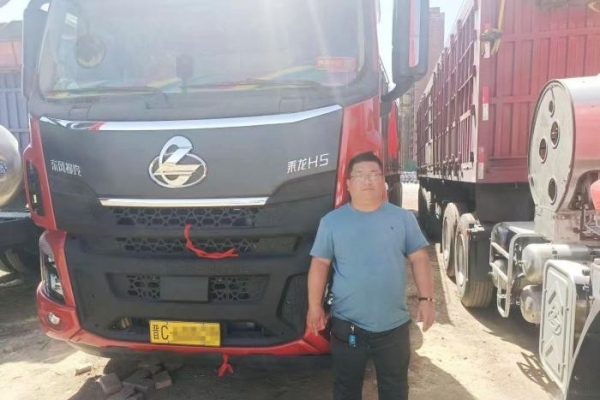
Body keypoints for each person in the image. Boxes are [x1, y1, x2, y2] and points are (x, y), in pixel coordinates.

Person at [306, 151, 435, 400]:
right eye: (360, 175)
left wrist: (427, 300)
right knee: (346, 390)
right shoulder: (332, 222)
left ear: (383, 180)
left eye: (374, 174)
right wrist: (314, 306)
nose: (368, 180)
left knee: (395, 390)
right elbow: (320, 264)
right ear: (348, 184)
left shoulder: (403, 219)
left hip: (393, 327)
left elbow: (419, 258)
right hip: (348, 327)